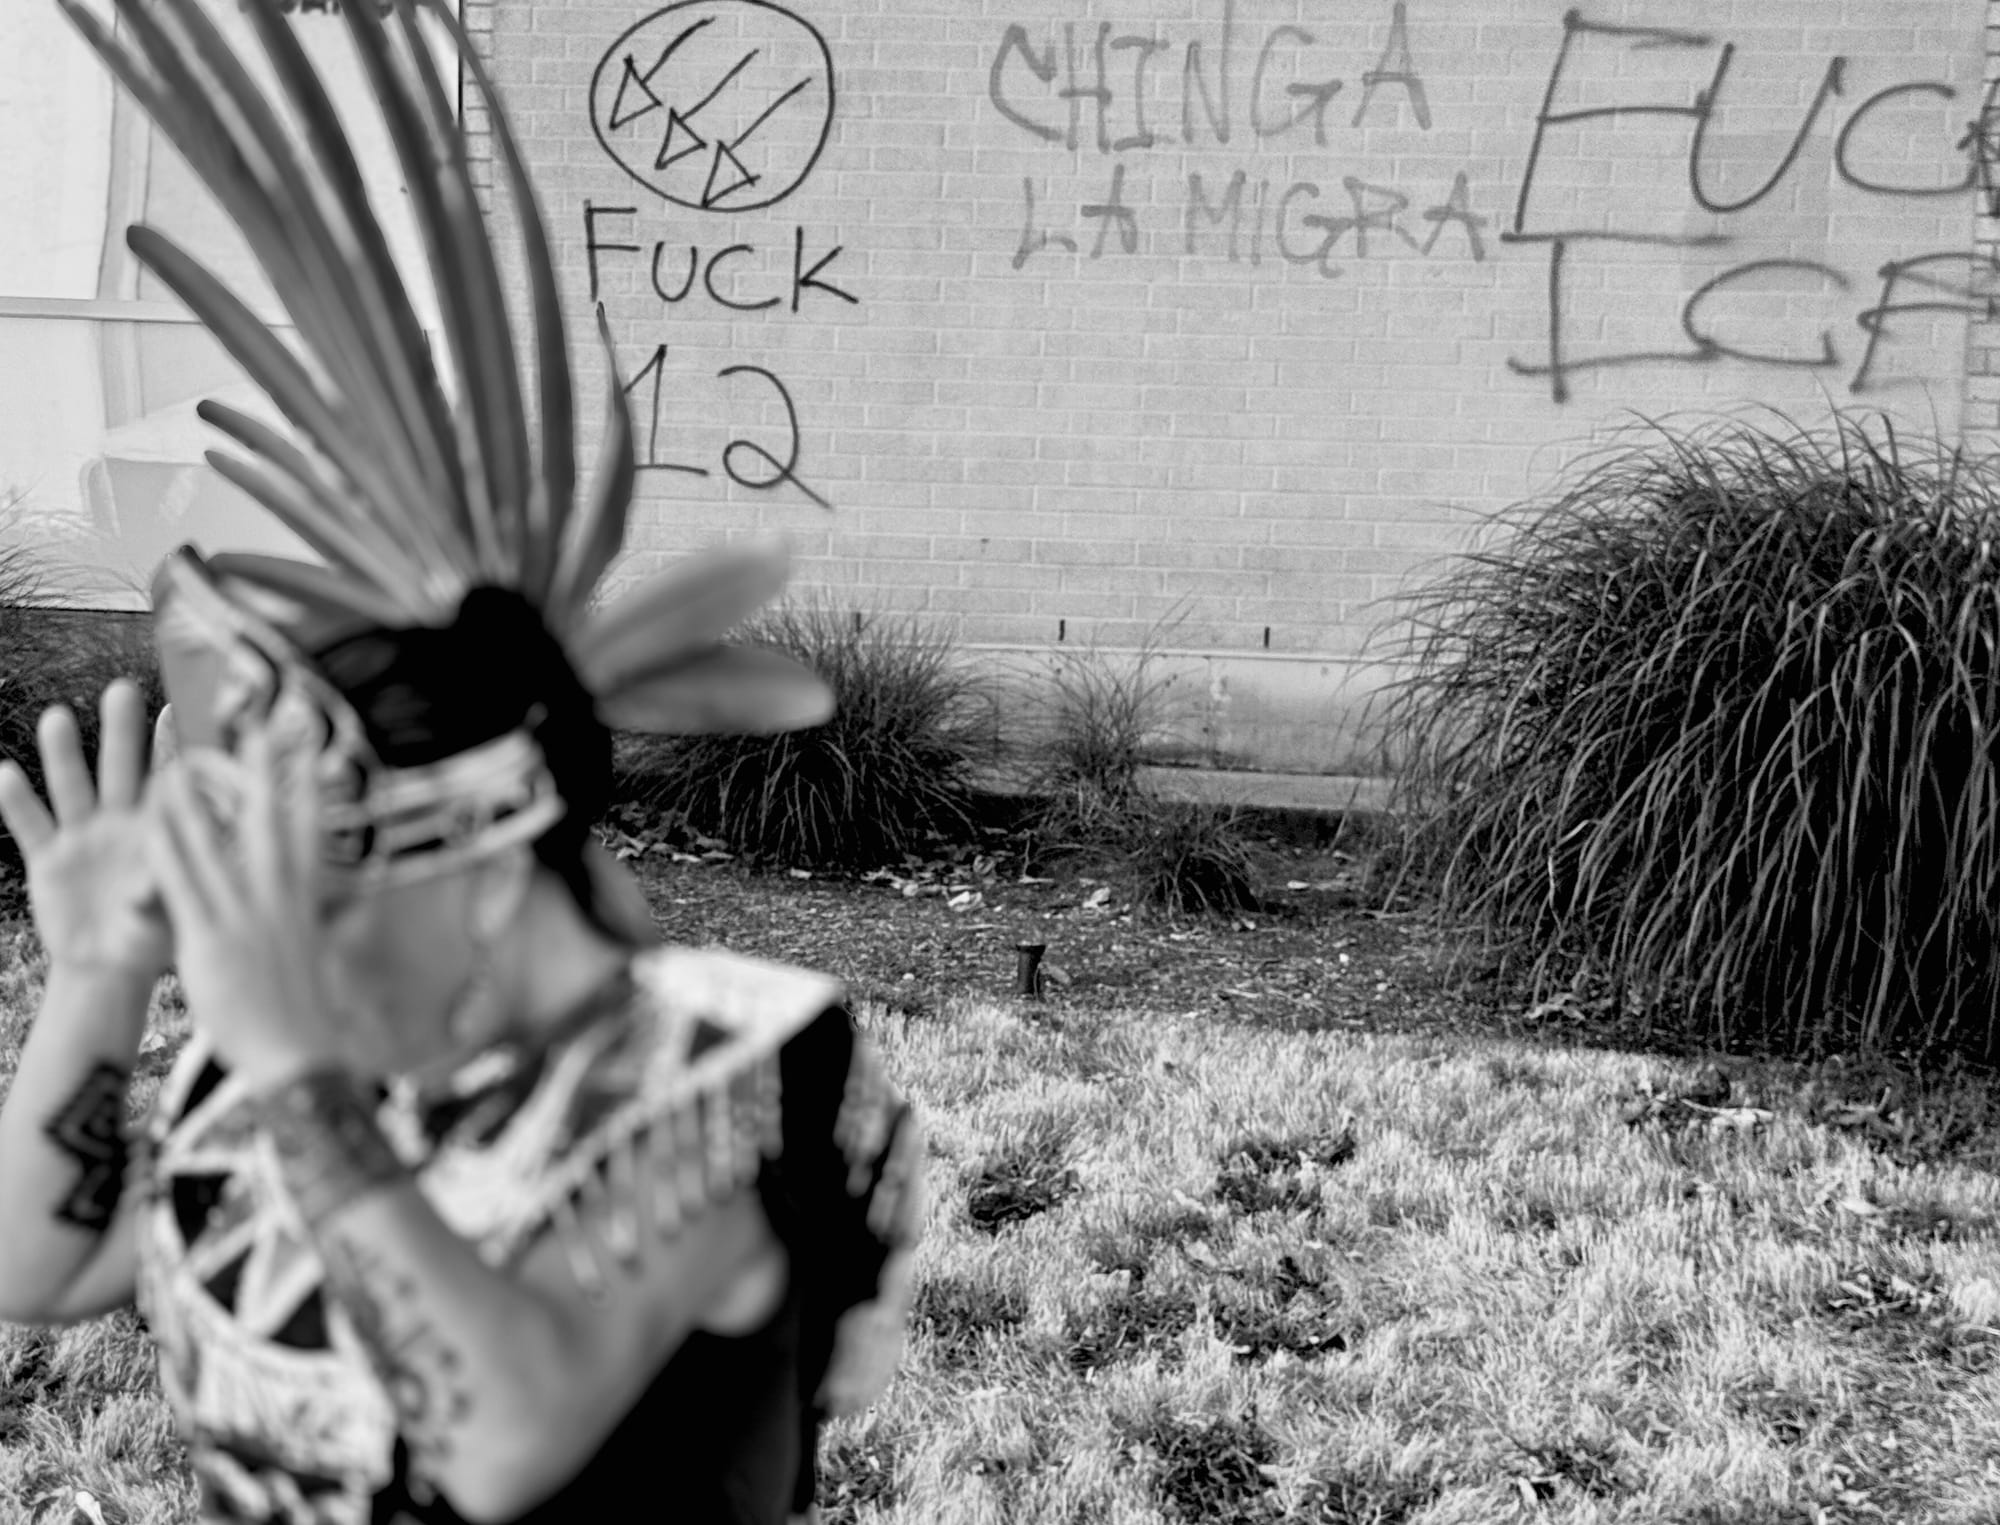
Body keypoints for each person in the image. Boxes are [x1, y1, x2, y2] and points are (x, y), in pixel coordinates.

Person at [0, 0, 926, 1521]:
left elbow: (502, 1449)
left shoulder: (729, 1078)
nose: (258, 932)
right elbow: (37, 1265)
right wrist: (102, 975)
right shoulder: (299, 1039)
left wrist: (299, 1071)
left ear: (485, 861)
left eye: (304, 880)